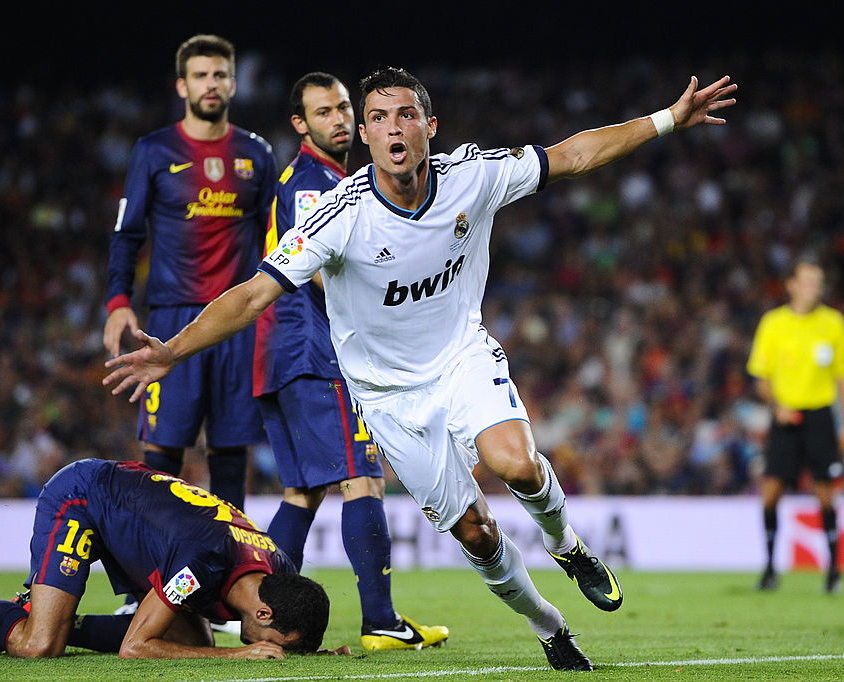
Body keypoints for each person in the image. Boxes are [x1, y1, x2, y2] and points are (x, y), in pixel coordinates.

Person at [104, 66, 738, 670]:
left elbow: (571, 155)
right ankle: (549, 626)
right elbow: (253, 294)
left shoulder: (472, 175)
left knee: (516, 463)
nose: (393, 128)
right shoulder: (338, 215)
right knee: (477, 534)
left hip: (461, 358)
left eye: (406, 114)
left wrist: (666, 120)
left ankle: (567, 545)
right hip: (386, 399)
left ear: (429, 127)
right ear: (369, 136)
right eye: (378, 118)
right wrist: (173, 350)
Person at [254, 71, 447, 651]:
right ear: (300, 124)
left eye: (343, 108)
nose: (338, 119)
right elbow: (313, 269)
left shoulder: (322, 178)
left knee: (301, 493)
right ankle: (381, 620)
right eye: (323, 112)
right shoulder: (314, 183)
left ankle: (256, 614)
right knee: (362, 477)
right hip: (315, 349)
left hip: (279, 354)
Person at [0, 458, 334, 659]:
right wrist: (241, 654)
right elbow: (135, 648)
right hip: (82, 498)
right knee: (38, 646)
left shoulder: (278, 570)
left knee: (195, 640)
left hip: (134, 509)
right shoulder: (202, 564)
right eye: (279, 644)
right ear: (264, 611)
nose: (271, 650)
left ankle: (27, 616)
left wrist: (314, 651)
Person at [103, 34, 278, 512]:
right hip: (171, 321)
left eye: (220, 74)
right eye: (200, 76)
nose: (211, 84)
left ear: (234, 83)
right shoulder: (154, 152)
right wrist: (118, 303)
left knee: (229, 457)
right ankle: (148, 580)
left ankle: (229, 578)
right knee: (162, 461)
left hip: (237, 324)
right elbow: (127, 234)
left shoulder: (257, 155)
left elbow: (279, 244)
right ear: (182, 85)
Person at [747, 258, 844, 593]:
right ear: (791, 284)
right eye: (808, 280)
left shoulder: (833, 323)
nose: (815, 287)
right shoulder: (774, 323)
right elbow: (761, 379)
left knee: (826, 492)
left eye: (819, 281)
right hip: (786, 415)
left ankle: (834, 573)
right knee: (771, 492)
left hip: (820, 416)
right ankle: (768, 569)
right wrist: (776, 405)